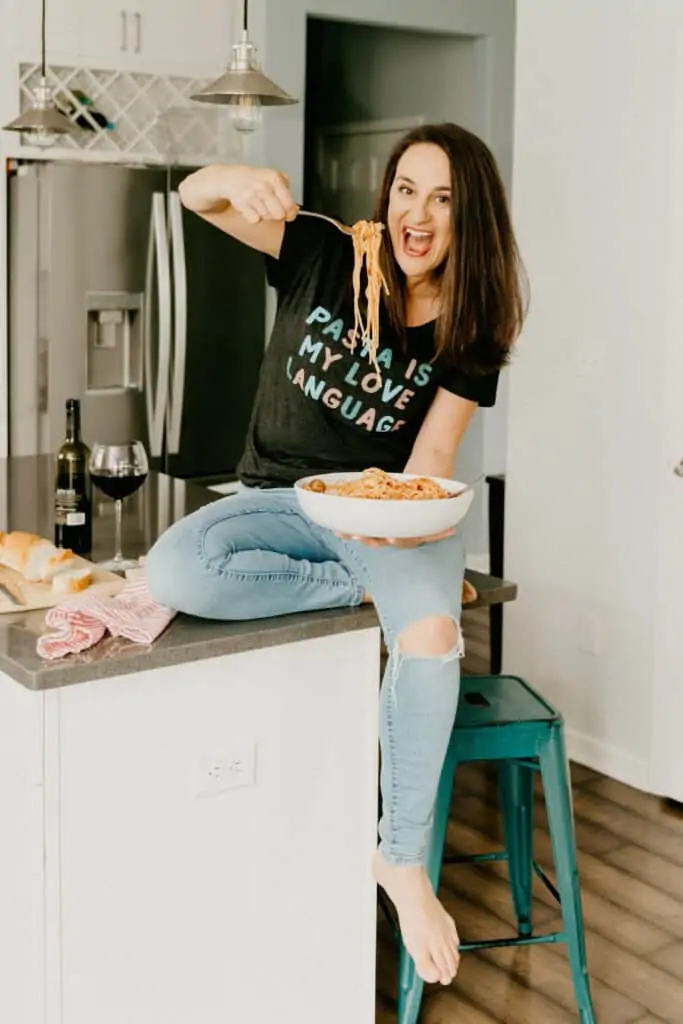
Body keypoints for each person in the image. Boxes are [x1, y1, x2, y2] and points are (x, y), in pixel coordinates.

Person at [146, 123, 526, 988]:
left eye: (441, 199)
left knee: (431, 637)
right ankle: (366, 592)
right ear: (384, 195)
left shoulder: (474, 319)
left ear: (471, 219)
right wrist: (233, 175)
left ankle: (399, 861)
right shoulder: (321, 249)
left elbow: (429, 463)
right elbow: (190, 198)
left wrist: (404, 545)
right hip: (277, 501)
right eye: (404, 189)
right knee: (176, 570)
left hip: (387, 509)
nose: (416, 215)